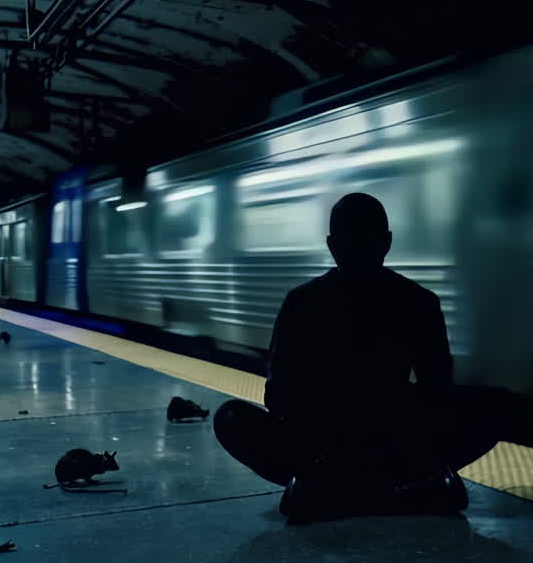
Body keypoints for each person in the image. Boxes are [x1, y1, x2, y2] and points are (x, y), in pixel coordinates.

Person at [214, 192, 502, 521]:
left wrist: (323, 427)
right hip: (398, 450)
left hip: (320, 452)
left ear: (332, 244)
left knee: (231, 417)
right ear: (387, 242)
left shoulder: (301, 302)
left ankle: (324, 487)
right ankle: (408, 487)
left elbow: (277, 397)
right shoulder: (420, 301)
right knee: (494, 407)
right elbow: (437, 391)